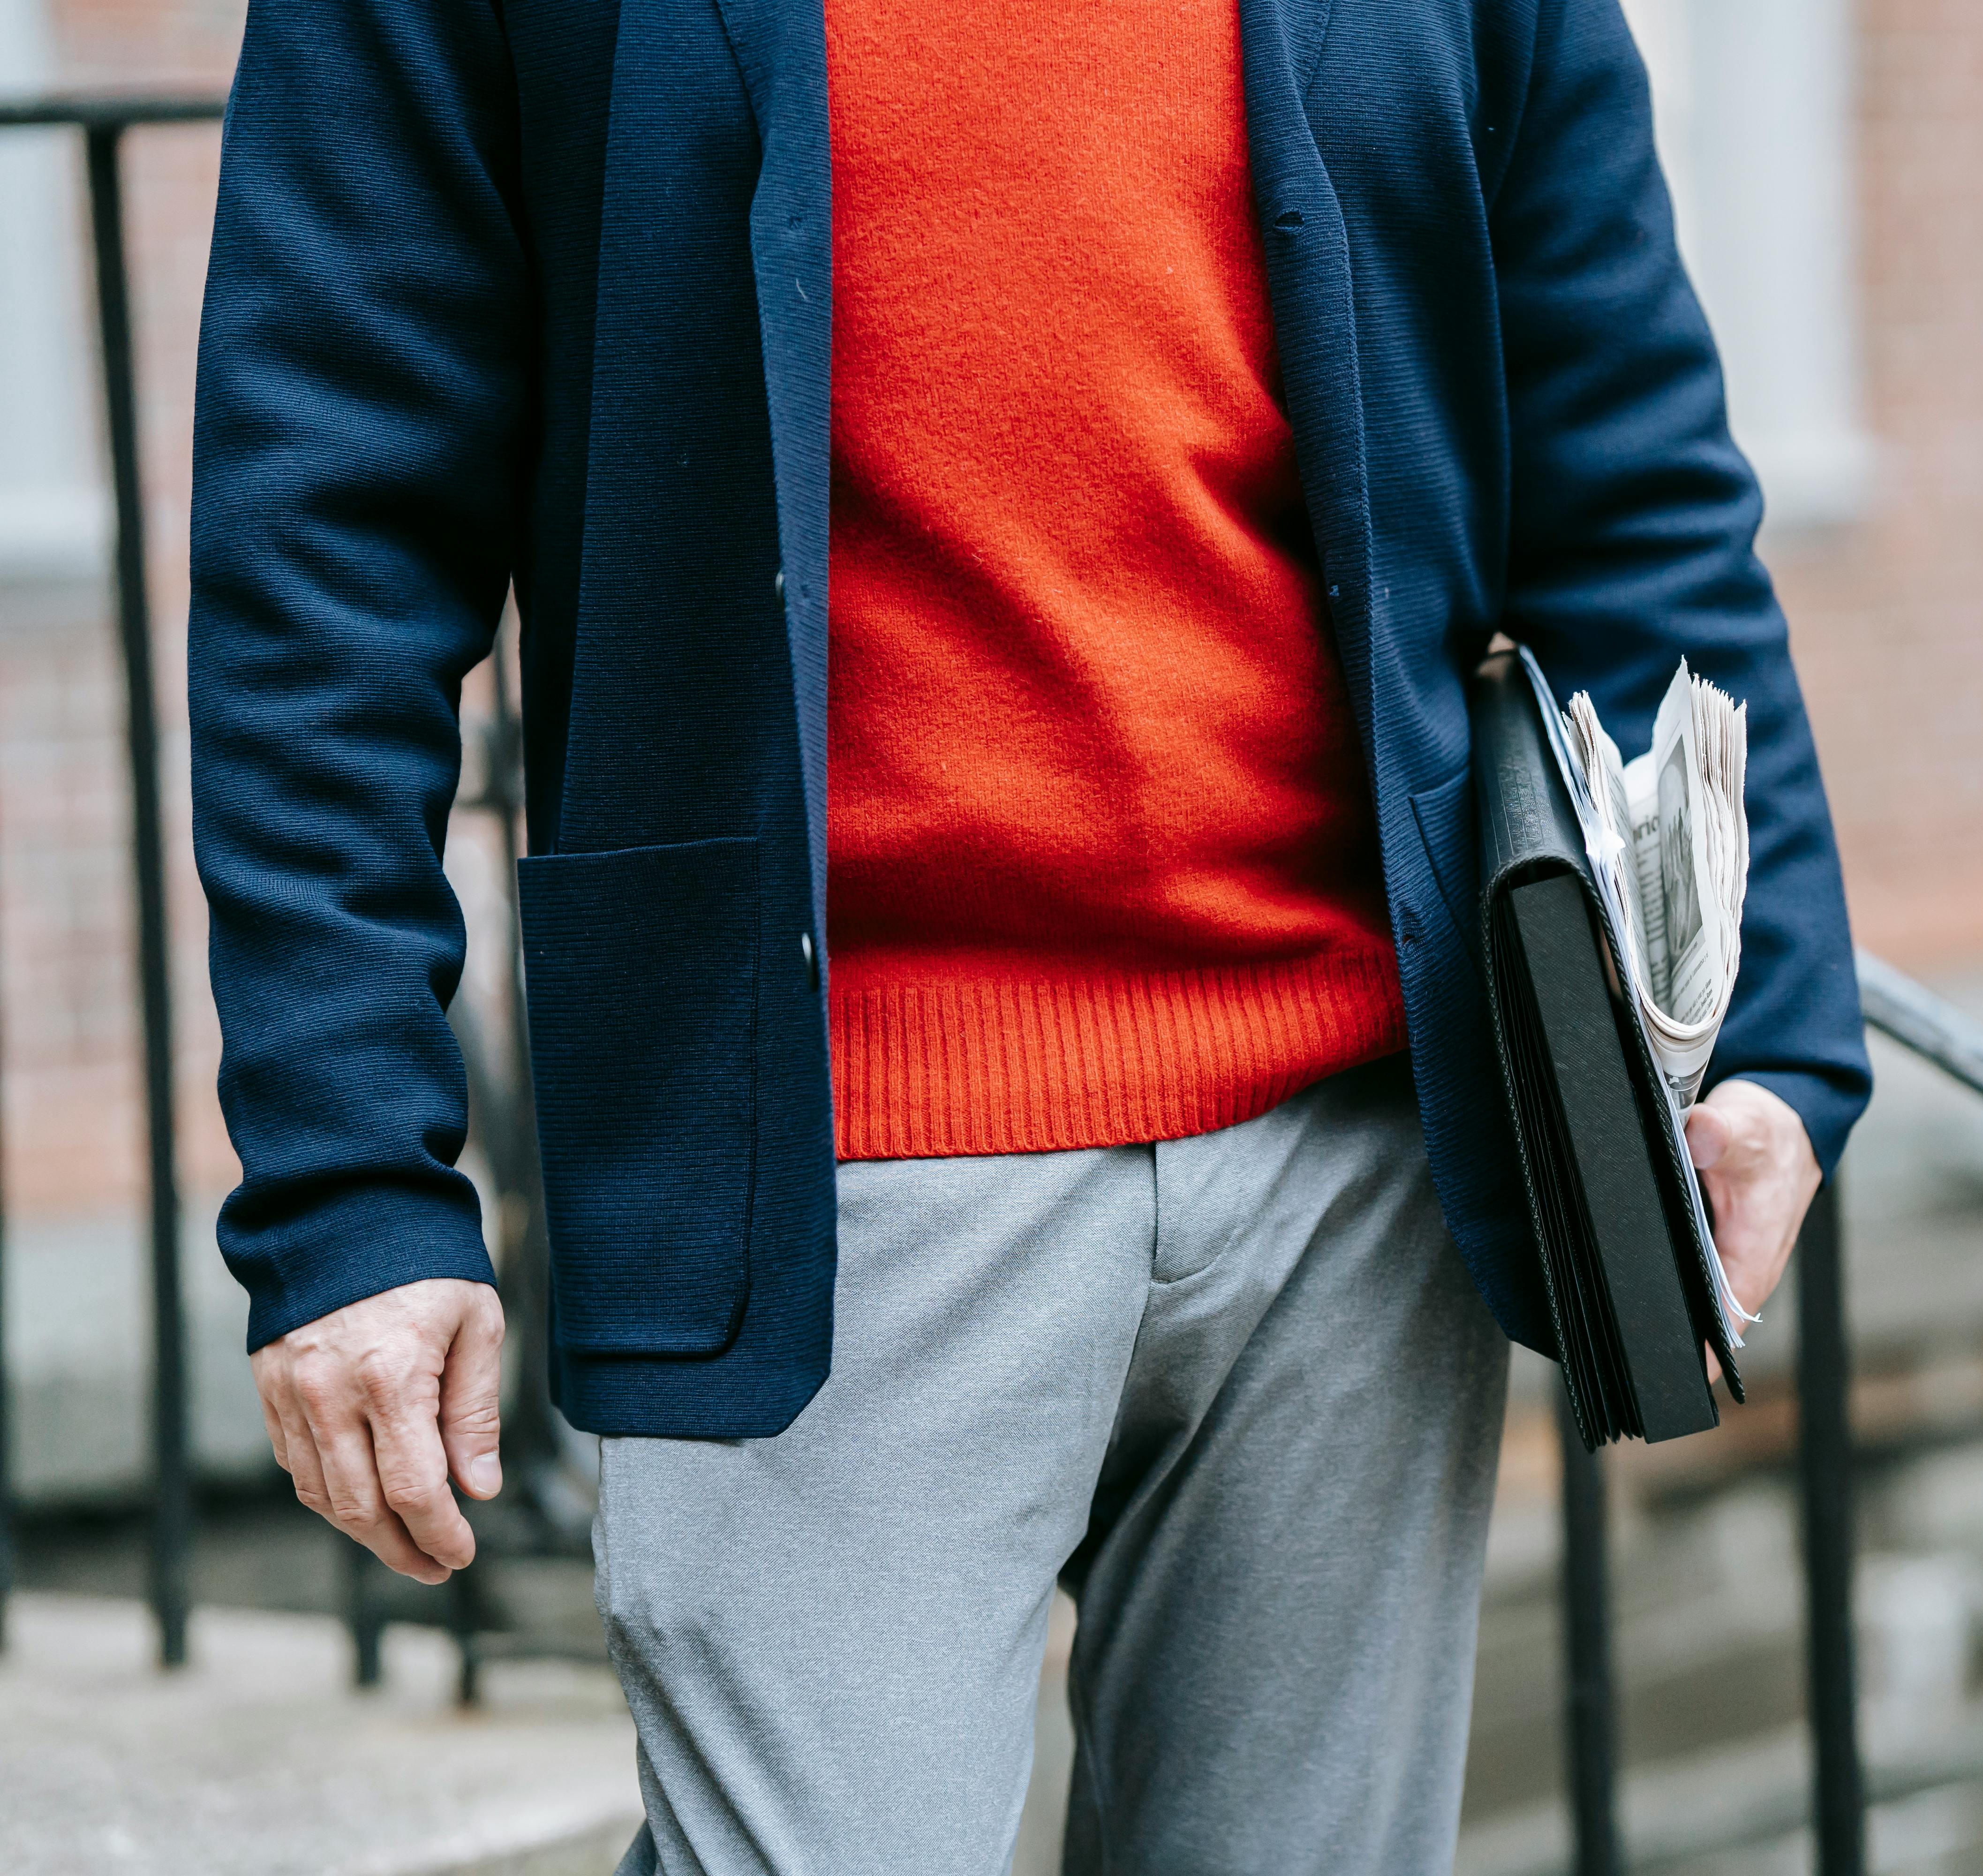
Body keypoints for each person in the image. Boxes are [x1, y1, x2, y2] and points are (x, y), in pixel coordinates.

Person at [189, 0, 1872, 1867]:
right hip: (812, 1178)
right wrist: (349, 1180)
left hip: (1359, 1155)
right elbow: (322, 542)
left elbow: (1630, 477)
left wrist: (1777, 1024)